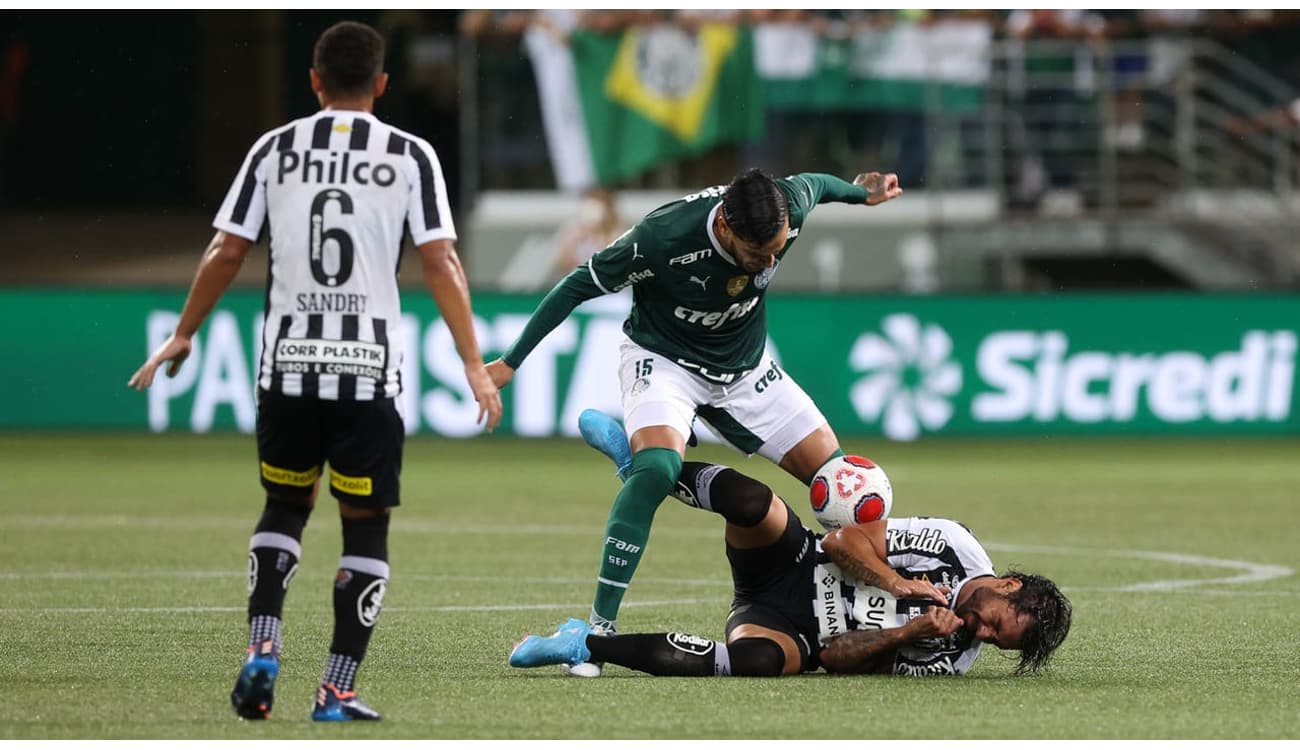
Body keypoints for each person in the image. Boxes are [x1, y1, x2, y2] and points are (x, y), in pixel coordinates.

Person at [127, 21, 502, 722]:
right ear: (383, 85)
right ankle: (335, 689)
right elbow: (441, 261)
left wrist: (184, 333)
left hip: (287, 371)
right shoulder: (409, 154)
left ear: (314, 80)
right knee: (364, 526)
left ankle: (262, 646)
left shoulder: (274, 149)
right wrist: (474, 363)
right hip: (366, 377)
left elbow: (226, 250)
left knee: (285, 508)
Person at [486, 168, 902, 675]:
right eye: (758, 254)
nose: (769, 262)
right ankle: (597, 631)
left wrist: (864, 194)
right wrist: (509, 362)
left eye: (776, 250)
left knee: (844, 486)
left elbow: (819, 183)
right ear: (725, 226)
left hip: (747, 371)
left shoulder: (785, 207)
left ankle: (875, 614)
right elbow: (576, 286)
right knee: (658, 470)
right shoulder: (660, 238)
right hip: (664, 362)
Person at [510, 444, 1072, 677]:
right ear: (1007, 583)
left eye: (996, 642)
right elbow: (839, 542)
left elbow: (833, 657)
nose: (981, 633)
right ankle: (645, 464)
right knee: (754, 503)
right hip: (799, 563)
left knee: (753, 661)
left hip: (795, 629)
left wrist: (906, 636)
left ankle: (583, 644)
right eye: (994, 622)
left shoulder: (949, 658)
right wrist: (898, 584)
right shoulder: (952, 544)